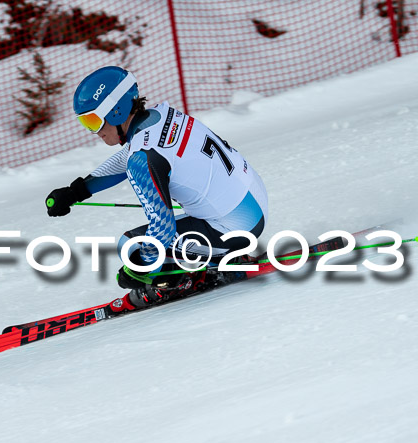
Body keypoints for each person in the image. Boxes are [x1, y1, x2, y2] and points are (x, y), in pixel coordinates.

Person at [46, 66, 268, 310]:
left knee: (131, 245)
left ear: (116, 112)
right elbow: (129, 156)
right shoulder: (162, 118)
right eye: (85, 123)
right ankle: (214, 256)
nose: (93, 131)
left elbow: (162, 228)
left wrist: (138, 269)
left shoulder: (142, 158)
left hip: (233, 229)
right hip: (254, 203)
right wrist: (77, 191)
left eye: (93, 121)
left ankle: (174, 282)